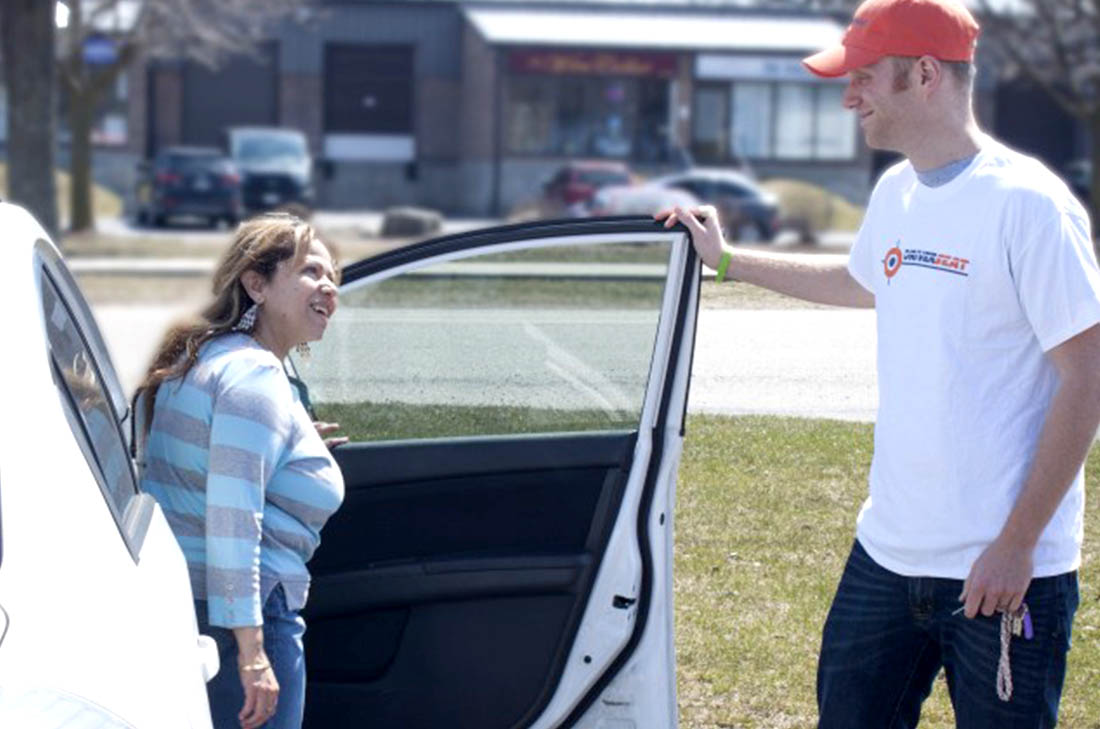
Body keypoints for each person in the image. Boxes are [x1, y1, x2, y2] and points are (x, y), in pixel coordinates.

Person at [658, 0, 1100, 725]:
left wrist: (1016, 545)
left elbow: (1087, 378)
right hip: (887, 555)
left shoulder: (1030, 206)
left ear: (924, 74)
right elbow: (864, 281)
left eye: (863, 77)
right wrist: (729, 261)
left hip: (1001, 573)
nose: (848, 96)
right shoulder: (895, 193)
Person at [138, 212, 347, 729]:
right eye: (312, 272)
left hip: (198, 608)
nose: (329, 288)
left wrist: (292, 449)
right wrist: (253, 655)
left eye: (334, 279)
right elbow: (234, 522)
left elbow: (204, 467)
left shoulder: (209, 357)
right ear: (256, 283)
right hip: (245, 622)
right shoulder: (253, 376)